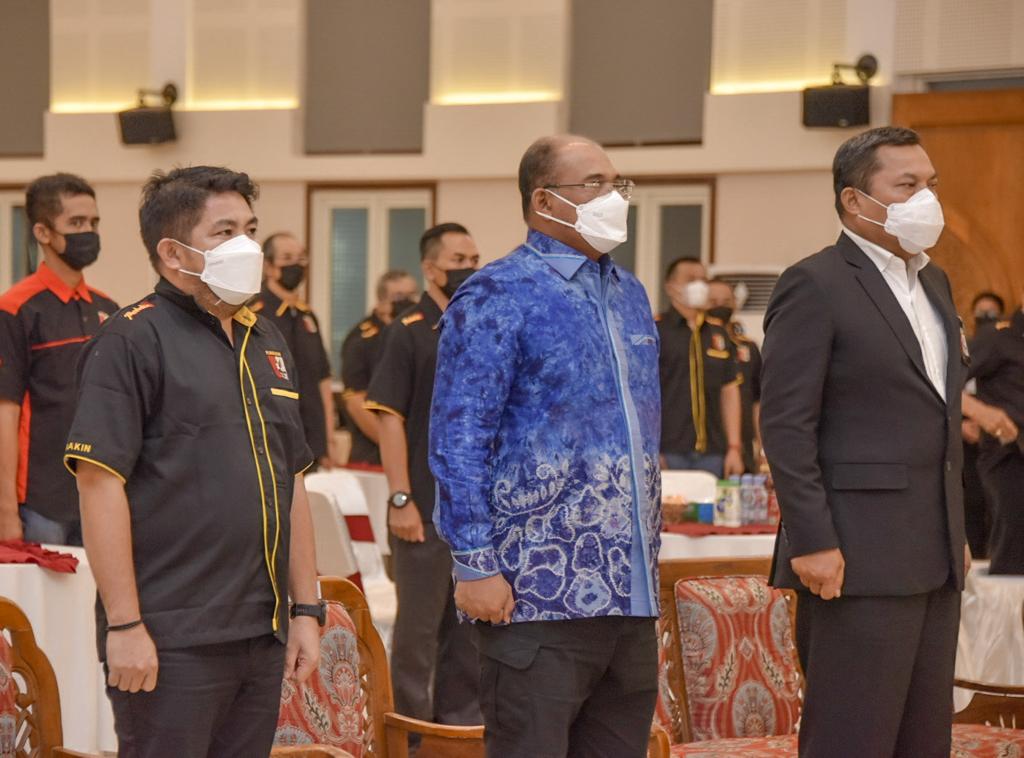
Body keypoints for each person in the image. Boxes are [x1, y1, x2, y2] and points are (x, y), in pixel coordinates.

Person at [64, 166, 320, 757]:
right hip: (171, 636)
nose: (246, 246)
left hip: (261, 631)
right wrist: (125, 625)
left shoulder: (265, 339)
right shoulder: (130, 340)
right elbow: (99, 485)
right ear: (173, 252)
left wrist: (305, 608)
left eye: (250, 229)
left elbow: (292, 481)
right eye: (224, 231)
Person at [431, 134, 661, 757]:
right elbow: (458, 436)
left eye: (618, 183)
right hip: (535, 594)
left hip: (630, 595)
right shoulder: (497, 293)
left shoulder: (630, 294)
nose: (614, 197)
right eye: (596, 184)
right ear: (545, 200)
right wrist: (474, 562)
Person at [760, 126, 969, 757]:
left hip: (933, 550)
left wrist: (955, 530)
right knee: (853, 736)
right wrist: (813, 540)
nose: (925, 197)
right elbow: (786, 424)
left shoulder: (935, 282)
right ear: (855, 200)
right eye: (907, 185)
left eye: (930, 183)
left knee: (923, 738)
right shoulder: (815, 282)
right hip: (852, 553)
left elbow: (935, 416)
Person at [364, 223, 481, 729]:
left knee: (470, 631)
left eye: (475, 259)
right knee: (417, 635)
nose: (469, 268)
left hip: (476, 510)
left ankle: (457, 732)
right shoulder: (408, 330)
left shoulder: (481, 323)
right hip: (424, 505)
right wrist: (400, 498)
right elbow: (390, 417)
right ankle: (409, 737)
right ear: (431, 269)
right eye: (458, 260)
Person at [0, 173, 118, 545]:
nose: (89, 232)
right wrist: (6, 512)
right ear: (43, 232)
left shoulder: (108, 308)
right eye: (76, 223)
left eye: (94, 223)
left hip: (98, 493)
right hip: (40, 505)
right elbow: (5, 413)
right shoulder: (15, 309)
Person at [250, 232, 339, 470]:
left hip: (311, 441)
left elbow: (323, 378)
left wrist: (328, 439)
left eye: (301, 258)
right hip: (271, 440)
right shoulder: (254, 314)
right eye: (287, 258)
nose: (296, 265)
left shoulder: (306, 316)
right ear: (269, 266)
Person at [657, 258, 744, 477]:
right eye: (691, 279)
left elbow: (729, 391)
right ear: (671, 287)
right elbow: (644, 396)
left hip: (714, 452)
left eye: (703, 280)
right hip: (668, 450)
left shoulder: (718, 333)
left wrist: (734, 447)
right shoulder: (656, 330)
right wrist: (650, 448)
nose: (699, 285)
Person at [964, 290, 1024, 574]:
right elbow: (941, 380)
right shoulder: (997, 338)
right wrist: (979, 413)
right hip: (1007, 457)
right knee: (1014, 542)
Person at [339, 270, 419, 465]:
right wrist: (397, 448)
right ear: (381, 302)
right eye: (399, 296)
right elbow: (356, 404)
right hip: (374, 455)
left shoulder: (418, 334)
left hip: (416, 452)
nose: (407, 302)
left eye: (412, 295)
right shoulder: (361, 341)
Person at [961, 290, 1006, 558]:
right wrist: (962, 426)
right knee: (971, 504)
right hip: (965, 444)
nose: (986, 318)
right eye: (981, 313)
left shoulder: (1007, 349)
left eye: (991, 313)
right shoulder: (965, 349)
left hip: (998, 443)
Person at [707, 277, 763, 473]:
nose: (720, 307)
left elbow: (758, 402)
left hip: (743, 446)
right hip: (705, 449)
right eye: (713, 302)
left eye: (726, 302)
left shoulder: (748, 347)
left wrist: (762, 450)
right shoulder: (693, 348)